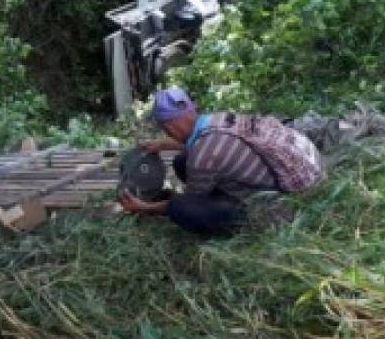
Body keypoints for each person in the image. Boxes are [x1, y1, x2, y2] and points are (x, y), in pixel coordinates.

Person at [119, 87, 323, 234]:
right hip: (298, 172)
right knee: (183, 161)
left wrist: (144, 208)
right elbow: (213, 147)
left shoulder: (203, 155)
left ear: (169, 126)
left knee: (180, 207)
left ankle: (247, 222)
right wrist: (165, 145)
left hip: (279, 205)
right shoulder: (217, 119)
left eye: (166, 129)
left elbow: (193, 199)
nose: (167, 134)